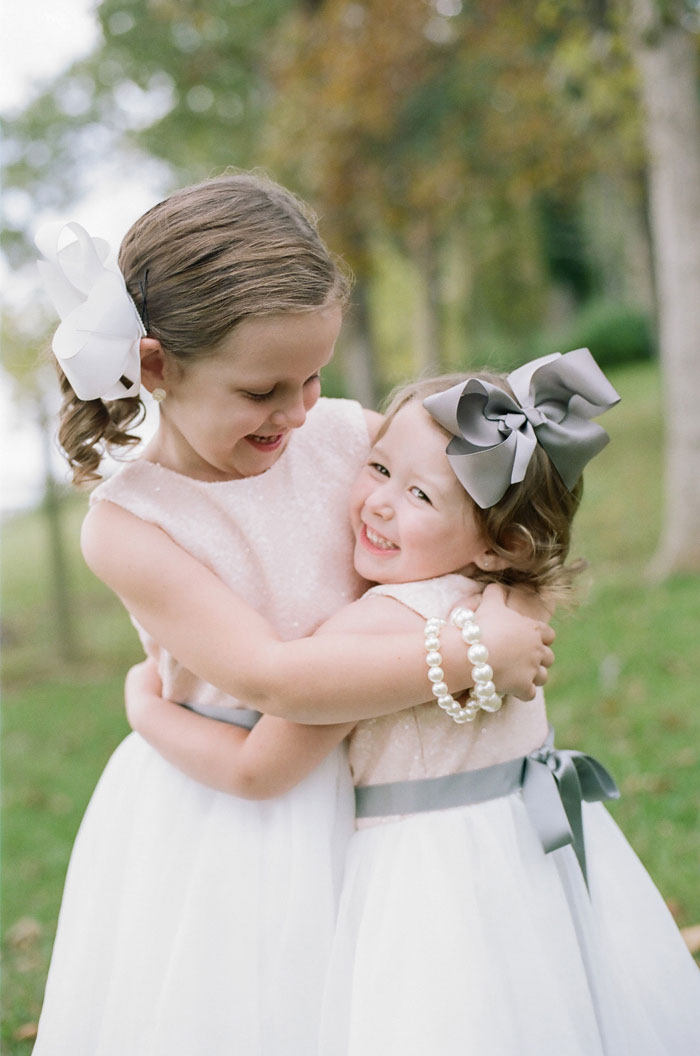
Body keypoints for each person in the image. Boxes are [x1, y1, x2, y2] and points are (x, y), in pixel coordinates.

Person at [32, 172, 553, 1056]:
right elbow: (277, 678)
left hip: (390, 808)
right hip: (236, 825)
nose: (298, 412)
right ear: (157, 367)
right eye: (263, 390)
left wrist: (512, 601)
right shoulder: (132, 527)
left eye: (312, 377)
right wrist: (468, 651)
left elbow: (488, 530)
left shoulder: (347, 436)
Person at [126, 353, 700, 1055]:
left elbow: (258, 769)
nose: (378, 502)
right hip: (535, 855)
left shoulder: (374, 627)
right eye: (376, 467)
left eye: (422, 497)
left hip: (431, 888)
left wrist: (145, 709)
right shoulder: (502, 601)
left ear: (499, 544)